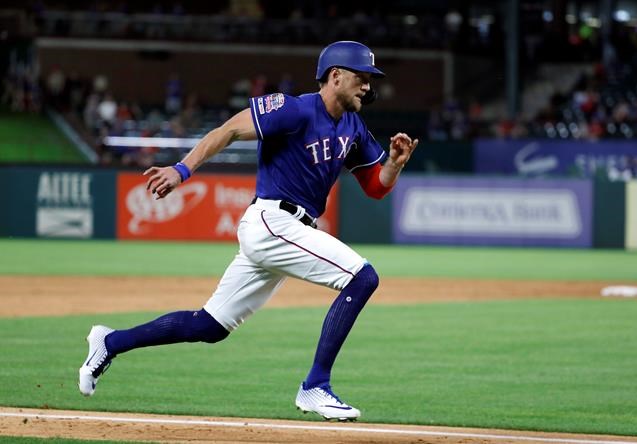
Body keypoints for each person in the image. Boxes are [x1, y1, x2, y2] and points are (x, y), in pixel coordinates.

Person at [78, 41, 418, 421]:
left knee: (209, 325)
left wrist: (394, 164)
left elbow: (375, 187)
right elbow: (227, 131)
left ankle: (110, 341)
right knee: (362, 277)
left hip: (285, 230)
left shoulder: (353, 126)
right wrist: (181, 170)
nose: (368, 86)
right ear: (335, 76)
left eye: (370, 79)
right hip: (273, 222)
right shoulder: (293, 109)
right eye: (362, 77)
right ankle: (315, 386)